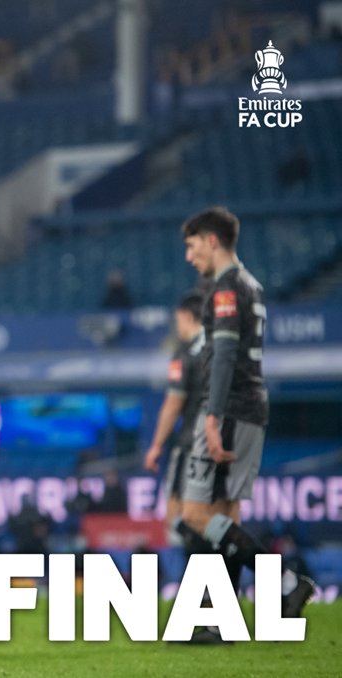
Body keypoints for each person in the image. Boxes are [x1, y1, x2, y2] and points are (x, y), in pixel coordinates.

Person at [173, 206, 314, 643]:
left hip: (230, 408)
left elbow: (226, 355)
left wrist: (212, 416)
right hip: (252, 406)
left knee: (194, 514)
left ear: (212, 241)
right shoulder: (251, 283)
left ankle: (288, 583)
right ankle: (221, 622)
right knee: (226, 517)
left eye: (193, 246)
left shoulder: (227, 288)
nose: (189, 257)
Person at [142, 291, 206, 547]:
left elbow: (173, 403)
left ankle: (195, 576)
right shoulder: (221, 350)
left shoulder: (185, 353)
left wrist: (156, 445)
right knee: (219, 514)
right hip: (226, 441)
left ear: (186, 316)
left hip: (192, 441)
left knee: (178, 514)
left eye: (178, 319)